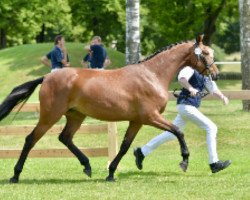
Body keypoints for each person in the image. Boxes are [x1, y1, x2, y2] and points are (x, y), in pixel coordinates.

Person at [134, 66, 232, 174]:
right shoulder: (190, 69)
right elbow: (182, 79)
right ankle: (214, 163)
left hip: (187, 107)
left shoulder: (205, 76)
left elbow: (213, 89)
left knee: (171, 134)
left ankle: (142, 152)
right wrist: (190, 88)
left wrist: (222, 96)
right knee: (211, 128)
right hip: (186, 106)